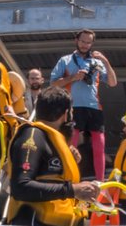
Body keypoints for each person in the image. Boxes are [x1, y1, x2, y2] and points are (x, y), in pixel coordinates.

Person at [3, 85, 103, 226]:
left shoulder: (56, 141)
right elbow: (21, 187)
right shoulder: (33, 135)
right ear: (66, 113)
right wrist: (72, 190)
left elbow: (53, 175)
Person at [49, 29, 117, 179]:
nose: (85, 45)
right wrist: (73, 77)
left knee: (99, 146)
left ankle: (99, 182)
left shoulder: (97, 62)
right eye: (83, 41)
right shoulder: (65, 60)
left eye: (89, 42)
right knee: (71, 144)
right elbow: (53, 84)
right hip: (73, 107)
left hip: (94, 107)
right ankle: (69, 178)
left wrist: (105, 61)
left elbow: (112, 82)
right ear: (76, 41)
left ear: (92, 43)